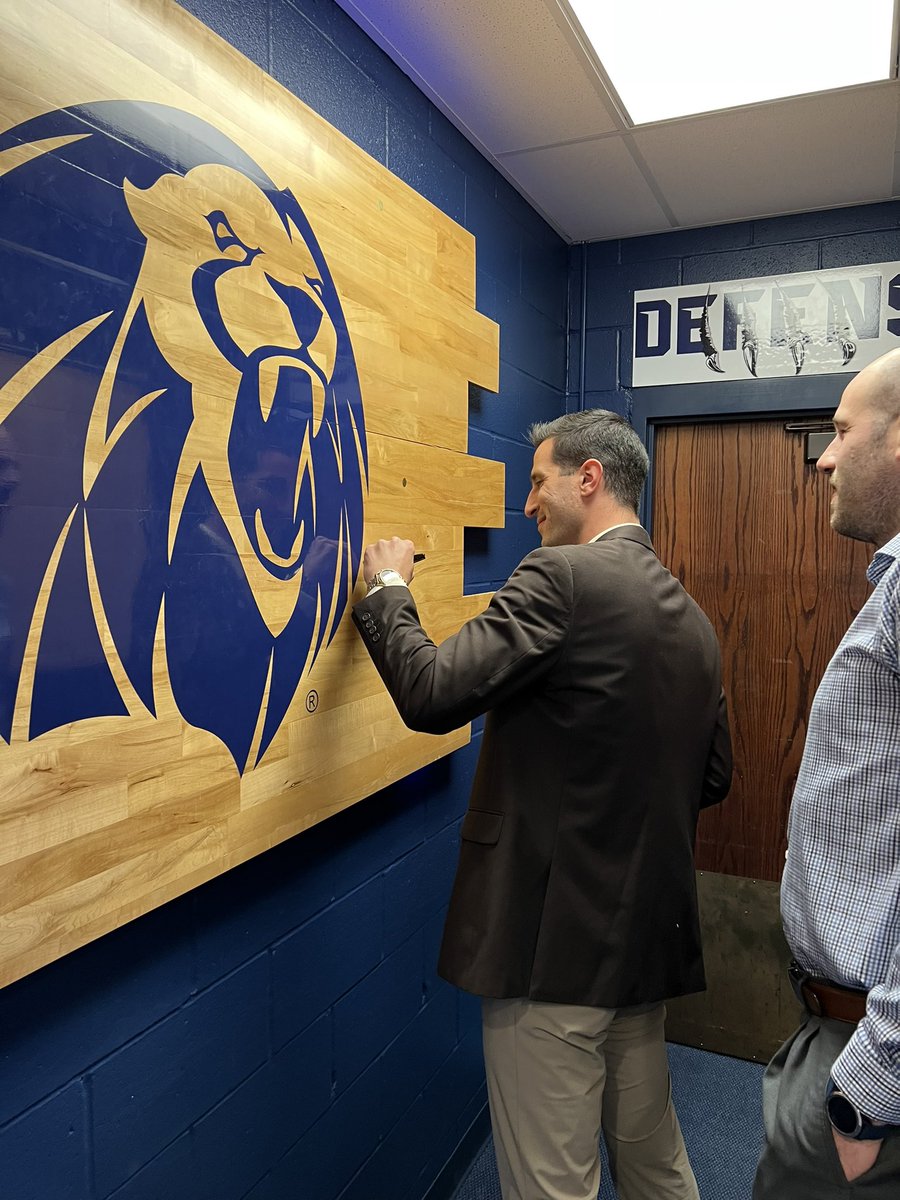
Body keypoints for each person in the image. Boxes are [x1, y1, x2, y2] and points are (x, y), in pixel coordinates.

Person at [352, 409, 732, 1200]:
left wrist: (388, 589)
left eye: (537, 480)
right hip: (640, 945)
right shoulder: (693, 621)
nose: (528, 504)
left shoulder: (558, 576)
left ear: (588, 478)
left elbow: (433, 692)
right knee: (656, 1165)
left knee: (549, 1184)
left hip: (549, 952)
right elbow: (713, 778)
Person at [753, 350, 900, 1198]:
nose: (824, 456)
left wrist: (866, 1094)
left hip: (870, 1067)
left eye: (842, 431)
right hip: (842, 1034)